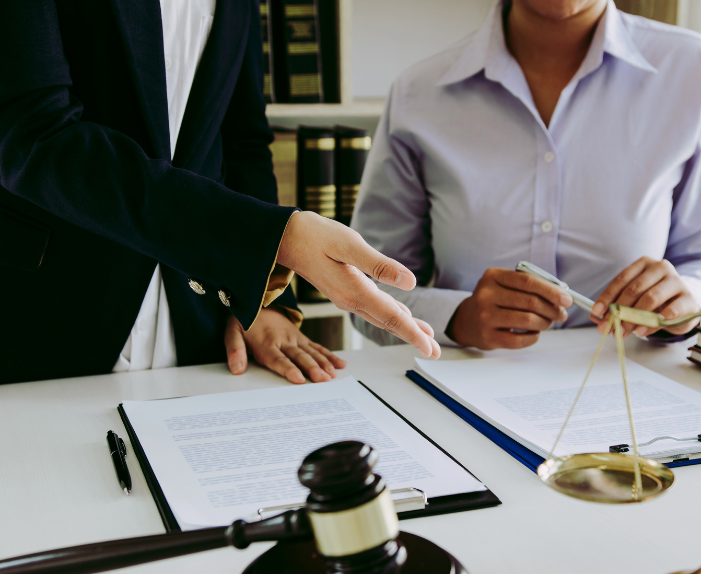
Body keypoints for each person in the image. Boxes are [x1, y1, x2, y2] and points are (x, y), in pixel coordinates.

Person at [0, 0, 439, 386]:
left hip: (206, 336)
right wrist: (270, 240)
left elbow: (242, 140)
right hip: (44, 324)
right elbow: (35, 138)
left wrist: (266, 299)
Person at [351, 0, 701, 350]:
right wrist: (455, 318)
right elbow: (366, 288)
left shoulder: (694, 70)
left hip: (634, 391)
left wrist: (688, 300)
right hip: (468, 393)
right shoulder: (418, 94)